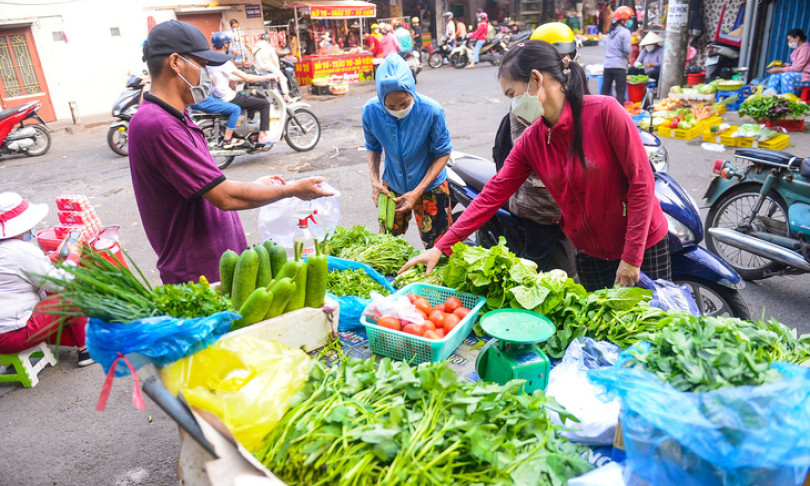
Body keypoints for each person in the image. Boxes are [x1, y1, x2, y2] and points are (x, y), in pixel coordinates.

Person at [400, 41, 670, 291]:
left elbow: (642, 183)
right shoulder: (532, 140)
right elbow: (492, 195)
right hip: (589, 254)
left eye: (512, 93)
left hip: (642, 246)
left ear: (536, 79)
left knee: (653, 331)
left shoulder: (605, 113)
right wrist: (441, 247)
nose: (514, 104)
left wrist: (632, 258)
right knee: (603, 335)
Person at [130, 20, 332, 284]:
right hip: (199, 274)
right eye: (202, 66)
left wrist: (256, 185)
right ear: (176, 62)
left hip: (218, 264)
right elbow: (224, 197)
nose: (208, 76)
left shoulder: (177, 115)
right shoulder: (159, 125)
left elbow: (208, 185)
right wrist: (291, 190)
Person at [362, 54, 453, 249]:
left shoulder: (432, 111)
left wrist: (418, 191)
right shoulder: (371, 111)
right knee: (386, 248)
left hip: (430, 187)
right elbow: (373, 147)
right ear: (381, 100)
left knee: (439, 251)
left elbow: (443, 153)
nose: (399, 110)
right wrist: (375, 181)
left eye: (404, 103)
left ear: (412, 91)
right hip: (392, 187)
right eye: (391, 106)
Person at [0, 192, 94, 367]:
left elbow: (22, 271)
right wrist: (73, 256)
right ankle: (86, 350)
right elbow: (61, 283)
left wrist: (57, 255)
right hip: (15, 336)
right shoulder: (20, 250)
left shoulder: (8, 250)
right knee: (71, 292)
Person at [208, 31, 283, 144]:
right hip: (227, 97)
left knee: (249, 99)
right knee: (264, 104)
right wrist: (266, 77)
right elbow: (247, 78)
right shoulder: (223, 62)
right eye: (228, 44)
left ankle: (249, 130)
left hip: (217, 96)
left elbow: (228, 77)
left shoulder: (210, 60)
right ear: (225, 45)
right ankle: (263, 135)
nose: (229, 46)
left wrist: (244, 78)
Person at [601, 5, 633, 105]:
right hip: (619, 65)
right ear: (623, 20)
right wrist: (629, 61)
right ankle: (619, 116)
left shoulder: (610, 32)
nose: (630, 21)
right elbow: (627, 50)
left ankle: (601, 111)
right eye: (629, 19)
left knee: (605, 92)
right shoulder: (625, 32)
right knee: (620, 92)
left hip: (608, 65)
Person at [767, 28, 810, 94]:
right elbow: (794, 65)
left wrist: (780, 69)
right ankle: (770, 93)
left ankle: (787, 101)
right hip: (799, 74)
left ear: (797, 38)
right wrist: (782, 65)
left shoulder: (805, 49)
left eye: (790, 40)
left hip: (806, 77)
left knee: (787, 76)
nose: (788, 43)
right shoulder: (798, 49)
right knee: (776, 74)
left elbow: (798, 68)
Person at [251, 33, 292, 101]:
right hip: (269, 67)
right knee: (282, 79)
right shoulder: (269, 48)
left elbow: (254, 58)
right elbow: (275, 59)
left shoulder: (255, 48)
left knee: (267, 84)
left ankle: (272, 99)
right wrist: (277, 68)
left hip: (259, 70)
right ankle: (286, 95)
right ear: (268, 40)